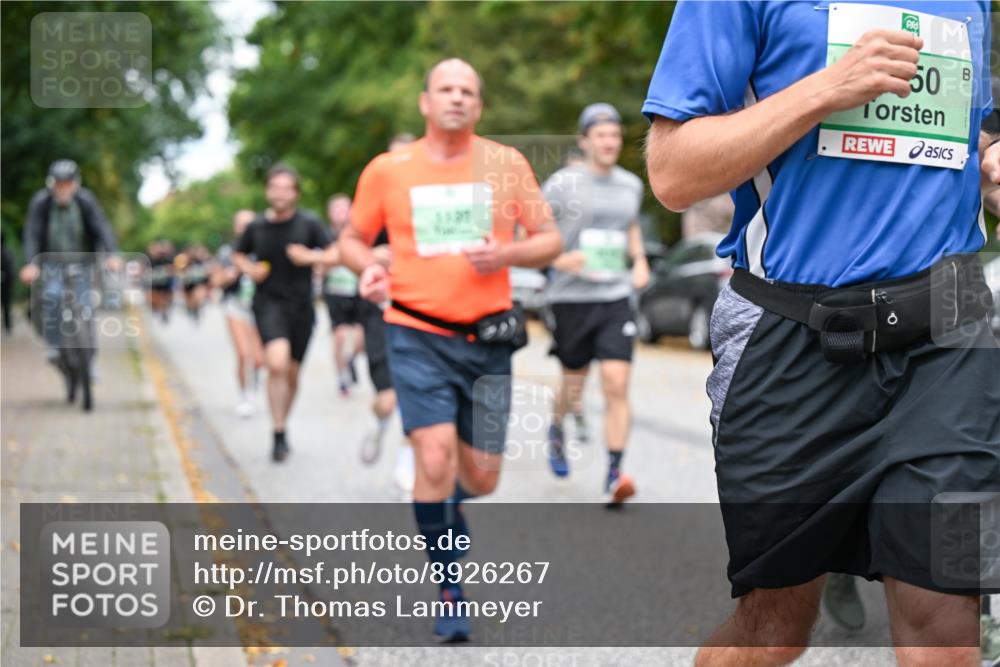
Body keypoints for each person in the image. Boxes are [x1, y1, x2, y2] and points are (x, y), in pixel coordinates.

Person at [643, 3, 997, 665]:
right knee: (773, 630)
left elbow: (964, 132)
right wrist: (828, 87)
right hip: (794, 332)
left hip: (948, 333)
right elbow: (672, 173)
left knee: (945, 632)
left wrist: (992, 157)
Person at [339, 58, 561, 641]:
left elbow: (550, 240)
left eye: (468, 91)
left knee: (483, 478)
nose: (457, 98)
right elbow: (351, 240)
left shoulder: (505, 165)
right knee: (433, 458)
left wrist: (506, 255)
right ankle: (448, 585)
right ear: (425, 102)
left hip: (487, 340)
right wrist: (368, 269)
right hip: (414, 332)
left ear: (479, 106)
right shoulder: (390, 170)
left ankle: (446, 506)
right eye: (446, 89)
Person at [542, 103, 648, 506]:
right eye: (601, 135)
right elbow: (532, 229)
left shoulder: (630, 185)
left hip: (615, 295)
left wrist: (638, 261)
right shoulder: (561, 184)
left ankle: (614, 471)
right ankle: (556, 426)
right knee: (574, 382)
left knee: (617, 383)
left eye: (615, 135)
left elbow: (631, 226)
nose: (609, 142)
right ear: (585, 140)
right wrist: (556, 259)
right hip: (571, 297)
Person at [232, 164, 336, 462]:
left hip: (302, 307)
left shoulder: (310, 223)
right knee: (276, 364)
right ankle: (277, 432)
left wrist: (311, 257)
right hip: (267, 304)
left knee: (291, 373)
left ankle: (281, 426)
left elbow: (335, 253)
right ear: (267, 191)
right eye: (274, 187)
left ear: (295, 193)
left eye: (285, 188)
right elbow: (238, 254)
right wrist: (249, 268)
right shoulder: (256, 227)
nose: (278, 193)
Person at [20, 160, 118, 366]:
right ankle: (54, 345)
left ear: (75, 184)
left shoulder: (85, 201)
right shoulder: (42, 203)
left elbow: (101, 227)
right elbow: (32, 234)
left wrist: (111, 254)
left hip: (82, 263)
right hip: (51, 264)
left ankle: (91, 361)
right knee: (53, 297)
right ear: (51, 184)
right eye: (59, 183)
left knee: (86, 307)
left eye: (67, 183)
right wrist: (31, 263)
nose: (63, 188)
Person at [214, 210, 264, 419]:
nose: (245, 229)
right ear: (235, 228)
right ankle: (245, 395)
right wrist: (229, 275)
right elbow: (215, 281)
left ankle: (253, 382)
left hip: (259, 307)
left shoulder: (264, 248)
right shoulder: (227, 252)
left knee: (260, 359)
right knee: (244, 354)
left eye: (249, 224)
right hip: (235, 306)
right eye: (241, 224)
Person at [322, 193, 365, 396]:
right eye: (337, 209)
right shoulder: (324, 236)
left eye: (345, 208)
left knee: (359, 339)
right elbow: (319, 264)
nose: (341, 213)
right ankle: (342, 377)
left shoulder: (361, 234)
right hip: (335, 293)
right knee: (339, 337)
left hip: (357, 292)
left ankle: (349, 361)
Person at [1, 229, 15, 334]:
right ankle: (8, 326)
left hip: (5, 284)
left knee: (6, 306)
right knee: (6, 306)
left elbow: (10, 270)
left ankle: (8, 326)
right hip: (6, 284)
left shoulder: (7, 253)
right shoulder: (8, 252)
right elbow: (11, 270)